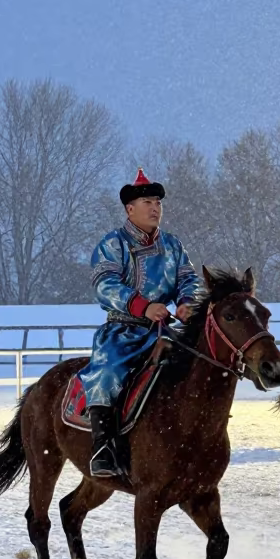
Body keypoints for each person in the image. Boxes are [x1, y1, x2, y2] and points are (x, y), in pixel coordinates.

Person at [77, 169, 202, 478]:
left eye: (158, 202)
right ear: (130, 208)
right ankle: (103, 448)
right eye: (148, 201)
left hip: (164, 330)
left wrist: (187, 304)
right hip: (122, 331)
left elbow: (188, 279)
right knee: (106, 374)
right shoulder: (113, 243)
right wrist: (143, 306)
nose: (155, 207)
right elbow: (104, 283)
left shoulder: (173, 245)